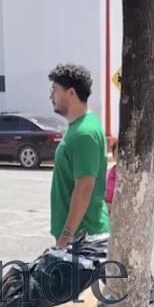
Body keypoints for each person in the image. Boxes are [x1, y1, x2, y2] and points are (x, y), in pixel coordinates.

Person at [48, 63, 109, 247]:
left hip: (83, 238)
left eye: (55, 90)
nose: (51, 96)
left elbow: (84, 187)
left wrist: (67, 234)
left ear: (71, 93)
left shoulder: (84, 133)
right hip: (79, 236)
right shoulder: (79, 126)